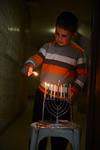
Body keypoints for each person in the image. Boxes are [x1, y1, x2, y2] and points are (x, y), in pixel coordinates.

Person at [22, 11, 87, 150]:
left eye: (64, 36)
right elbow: (35, 58)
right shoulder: (48, 46)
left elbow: (82, 75)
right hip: (42, 95)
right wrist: (29, 65)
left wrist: (73, 90)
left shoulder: (78, 52)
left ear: (73, 35)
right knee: (38, 129)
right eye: (57, 34)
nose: (59, 38)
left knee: (60, 136)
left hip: (63, 99)